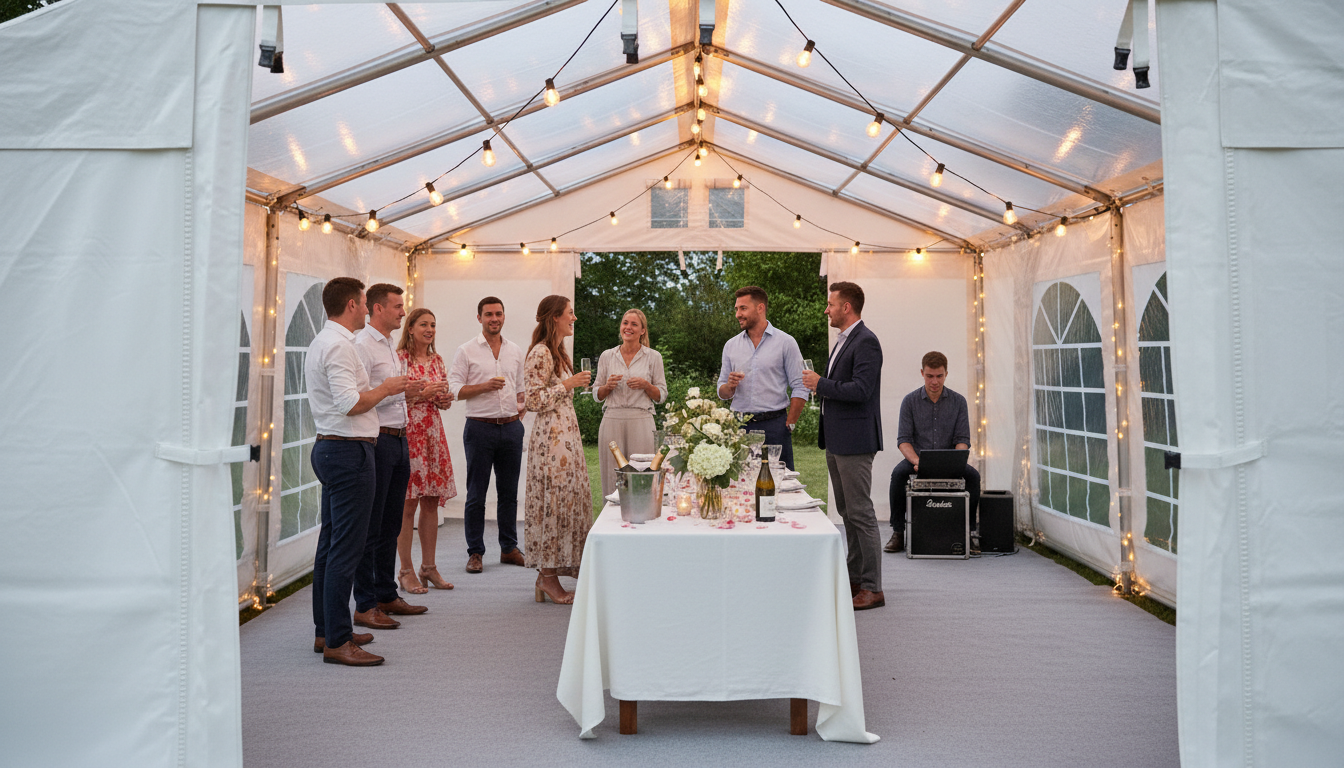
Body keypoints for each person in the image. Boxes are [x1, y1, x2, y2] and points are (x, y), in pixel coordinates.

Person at [306, 277, 408, 666]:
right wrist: (387, 388)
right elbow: (350, 403)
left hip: (334, 448)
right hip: (348, 451)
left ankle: (327, 630)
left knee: (331, 546)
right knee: (345, 550)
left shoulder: (325, 341)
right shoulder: (339, 346)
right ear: (351, 304)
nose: (367, 309)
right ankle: (337, 639)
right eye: (364, 303)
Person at [351, 284, 430, 630]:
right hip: (378, 438)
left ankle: (386, 593)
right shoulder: (362, 345)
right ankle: (365, 602)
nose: (403, 312)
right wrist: (393, 391)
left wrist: (410, 393)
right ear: (377, 309)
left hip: (400, 437)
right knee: (371, 525)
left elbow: (390, 393)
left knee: (391, 523)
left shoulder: (389, 345)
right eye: (397, 306)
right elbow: (358, 397)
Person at [802, 282, 885, 610]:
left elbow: (862, 390)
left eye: (831, 304)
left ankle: (873, 588)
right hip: (837, 440)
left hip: (855, 441)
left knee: (861, 513)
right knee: (848, 513)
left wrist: (820, 383)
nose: (827, 310)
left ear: (846, 307)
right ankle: (855, 579)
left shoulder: (866, 342)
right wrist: (823, 384)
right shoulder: (844, 340)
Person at [448, 297, 527, 575]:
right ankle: (475, 552)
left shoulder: (515, 350)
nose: (494, 318)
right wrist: (484, 386)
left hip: (511, 428)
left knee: (509, 493)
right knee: (476, 494)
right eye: (489, 314)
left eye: (498, 314)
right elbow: (455, 390)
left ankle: (509, 548)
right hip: (479, 429)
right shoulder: (466, 350)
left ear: (504, 316)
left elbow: (521, 388)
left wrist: (521, 409)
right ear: (479, 317)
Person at [523, 295, 593, 605]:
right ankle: (547, 577)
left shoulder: (556, 350)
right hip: (551, 439)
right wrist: (568, 384)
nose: (574, 318)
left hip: (563, 436)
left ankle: (555, 571)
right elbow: (532, 400)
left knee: (566, 501)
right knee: (553, 503)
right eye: (570, 313)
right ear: (555, 317)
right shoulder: (540, 352)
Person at [885, 351, 979, 553]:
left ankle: (969, 532)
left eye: (939, 376)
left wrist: (954, 462)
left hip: (949, 460)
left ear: (946, 374)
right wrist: (918, 462)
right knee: (898, 475)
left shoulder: (959, 402)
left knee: (973, 477)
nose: (934, 381)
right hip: (917, 459)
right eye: (929, 376)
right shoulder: (909, 401)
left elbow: (962, 440)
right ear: (922, 373)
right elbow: (904, 441)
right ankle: (898, 532)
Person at [395, 307, 459, 592]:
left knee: (431, 501)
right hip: (409, 435)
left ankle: (429, 568)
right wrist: (424, 393)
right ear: (410, 328)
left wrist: (443, 399)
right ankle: (405, 570)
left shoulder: (437, 359)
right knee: (407, 504)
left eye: (432, 325)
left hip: (432, 435)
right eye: (423, 324)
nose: (429, 329)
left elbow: (441, 401)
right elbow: (392, 397)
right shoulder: (399, 359)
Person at [716, 286, 808, 470]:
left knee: (779, 481)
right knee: (739, 481)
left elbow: (800, 385)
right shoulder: (731, 345)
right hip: (738, 427)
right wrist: (729, 386)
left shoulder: (786, 342)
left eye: (743, 308)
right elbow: (722, 391)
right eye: (736, 309)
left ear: (760, 308)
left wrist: (790, 423)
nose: (738, 314)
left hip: (775, 426)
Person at [593, 309, 667, 497]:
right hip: (612, 419)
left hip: (641, 421)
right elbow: (597, 394)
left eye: (634, 324)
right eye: (625, 323)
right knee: (612, 478)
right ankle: (611, 516)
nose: (628, 327)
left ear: (642, 330)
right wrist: (607, 387)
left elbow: (661, 395)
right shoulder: (607, 356)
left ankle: (642, 512)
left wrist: (646, 385)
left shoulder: (653, 357)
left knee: (642, 476)